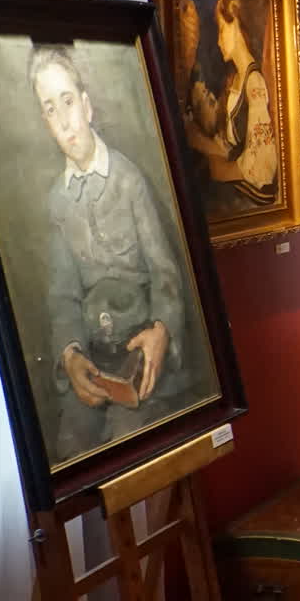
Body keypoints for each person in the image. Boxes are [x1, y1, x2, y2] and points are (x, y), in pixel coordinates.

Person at [30, 45, 190, 464]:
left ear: (87, 106)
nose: (64, 120)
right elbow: (63, 296)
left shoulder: (128, 180)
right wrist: (70, 355)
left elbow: (165, 272)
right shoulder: (58, 201)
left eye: (68, 101)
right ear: (45, 122)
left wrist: (161, 330)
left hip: (141, 353)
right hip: (94, 360)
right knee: (70, 449)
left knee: (131, 448)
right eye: (50, 109)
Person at [185, 0, 278, 210]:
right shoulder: (234, 80)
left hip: (249, 198)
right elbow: (228, 147)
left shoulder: (254, 83)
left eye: (222, 30)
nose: (219, 40)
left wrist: (218, 168)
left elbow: (261, 168)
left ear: (235, 23)